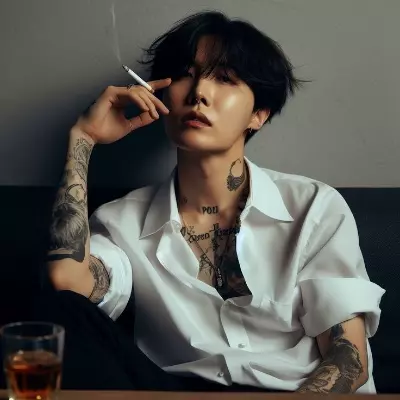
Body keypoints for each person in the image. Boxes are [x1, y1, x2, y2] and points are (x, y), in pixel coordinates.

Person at [42, 10, 385, 393]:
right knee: (61, 311)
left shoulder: (314, 207)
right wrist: (83, 139)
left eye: (224, 78)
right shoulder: (122, 221)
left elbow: (348, 358)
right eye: (185, 74)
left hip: (291, 392)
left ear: (258, 114)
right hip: (175, 390)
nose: (198, 93)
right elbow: (68, 284)